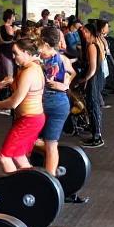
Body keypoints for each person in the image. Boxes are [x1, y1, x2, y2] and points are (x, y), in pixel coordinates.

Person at [0, 38, 46, 173]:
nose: (13, 56)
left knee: (3, 156)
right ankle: (32, 183)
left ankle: (15, 185)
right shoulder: (29, 68)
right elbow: (19, 86)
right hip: (32, 119)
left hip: (29, 121)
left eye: (16, 53)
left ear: (26, 53)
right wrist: (0, 84)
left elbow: (13, 103)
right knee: (18, 155)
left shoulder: (29, 72)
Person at [35, 28, 74, 176]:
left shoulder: (61, 59)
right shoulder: (37, 58)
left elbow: (72, 73)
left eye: (39, 40)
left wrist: (65, 85)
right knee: (42, 142)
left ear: (45, 42)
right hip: (42, 104)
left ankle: (50, 181)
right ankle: (49, 173)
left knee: (50, 144)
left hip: (56, 104)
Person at [78, 21, 105, 148]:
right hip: (95, 77)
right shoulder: (92, 44)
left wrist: (85, 79)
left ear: (90, 32)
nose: (83, 33)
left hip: (93, 78)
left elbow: (92, 68)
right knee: (92, 105)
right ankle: (95, 133)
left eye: (85, 31)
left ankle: (97, 137)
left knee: (93, 106)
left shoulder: (92, 46)